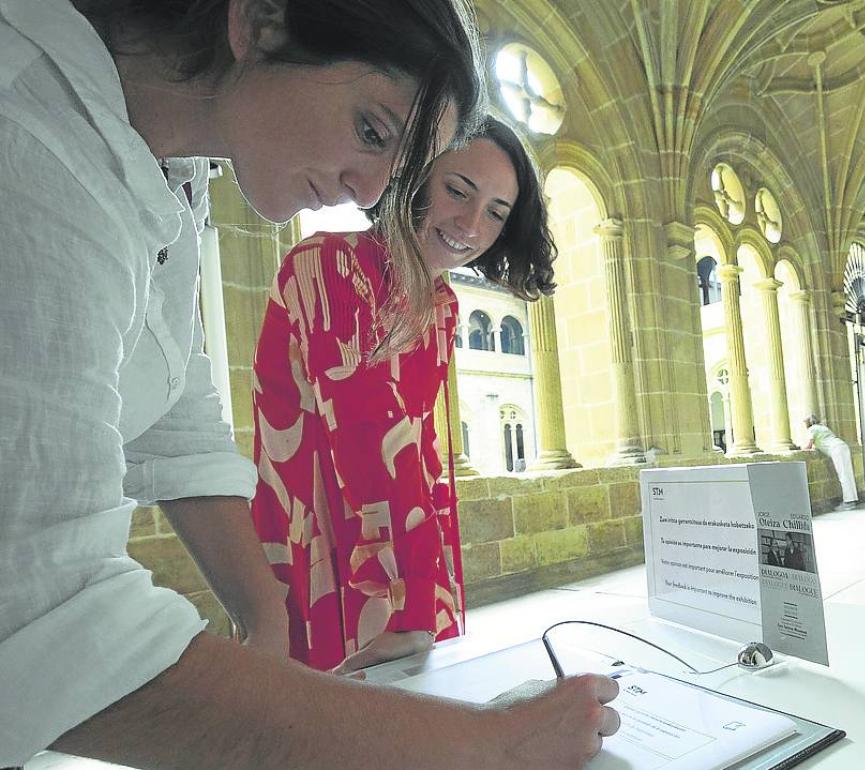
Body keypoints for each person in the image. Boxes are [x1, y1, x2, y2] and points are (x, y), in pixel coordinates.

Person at [0, 1, 618, 768]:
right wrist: (489, 745)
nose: (366, 194)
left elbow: (174, 410)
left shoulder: (172, 170)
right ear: (261, 21)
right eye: (370, 130)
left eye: (393, 168)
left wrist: (264, 616)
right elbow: (44, 622)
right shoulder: (25, 139)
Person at [251, 117, 553, 675]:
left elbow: (424, 449)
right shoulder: (329, 266)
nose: (470, 224)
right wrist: (414, 603)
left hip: (396, 562)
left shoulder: (440, 304)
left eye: (495, 212)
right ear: (415, 176)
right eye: (457, 191)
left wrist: (433, 588)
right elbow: (371, 441)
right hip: (326, 547)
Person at [803, 415, 860, 512]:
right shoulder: (823, 428)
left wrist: (802, 449)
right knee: (848, 474)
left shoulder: (812, 429)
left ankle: (848, 503)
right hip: (842, 446)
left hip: (836, 449)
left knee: (843, 475)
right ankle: (853, 500)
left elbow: (809, 445)